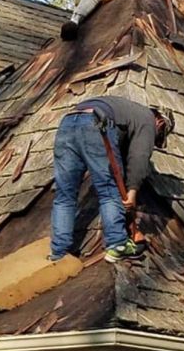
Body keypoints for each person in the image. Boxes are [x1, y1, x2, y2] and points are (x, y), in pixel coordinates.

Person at [49, 95, 173, 263]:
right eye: (158, 135)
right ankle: (117, 244)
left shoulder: (128, 112)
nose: (154, 139)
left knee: (64, 195)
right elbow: (139, 156)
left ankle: (59, 253)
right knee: (109, 189)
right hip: (96, 124)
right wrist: (133, 191)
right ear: (160, 122)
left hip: (67, 123)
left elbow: (122, 153)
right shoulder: (147, 120)